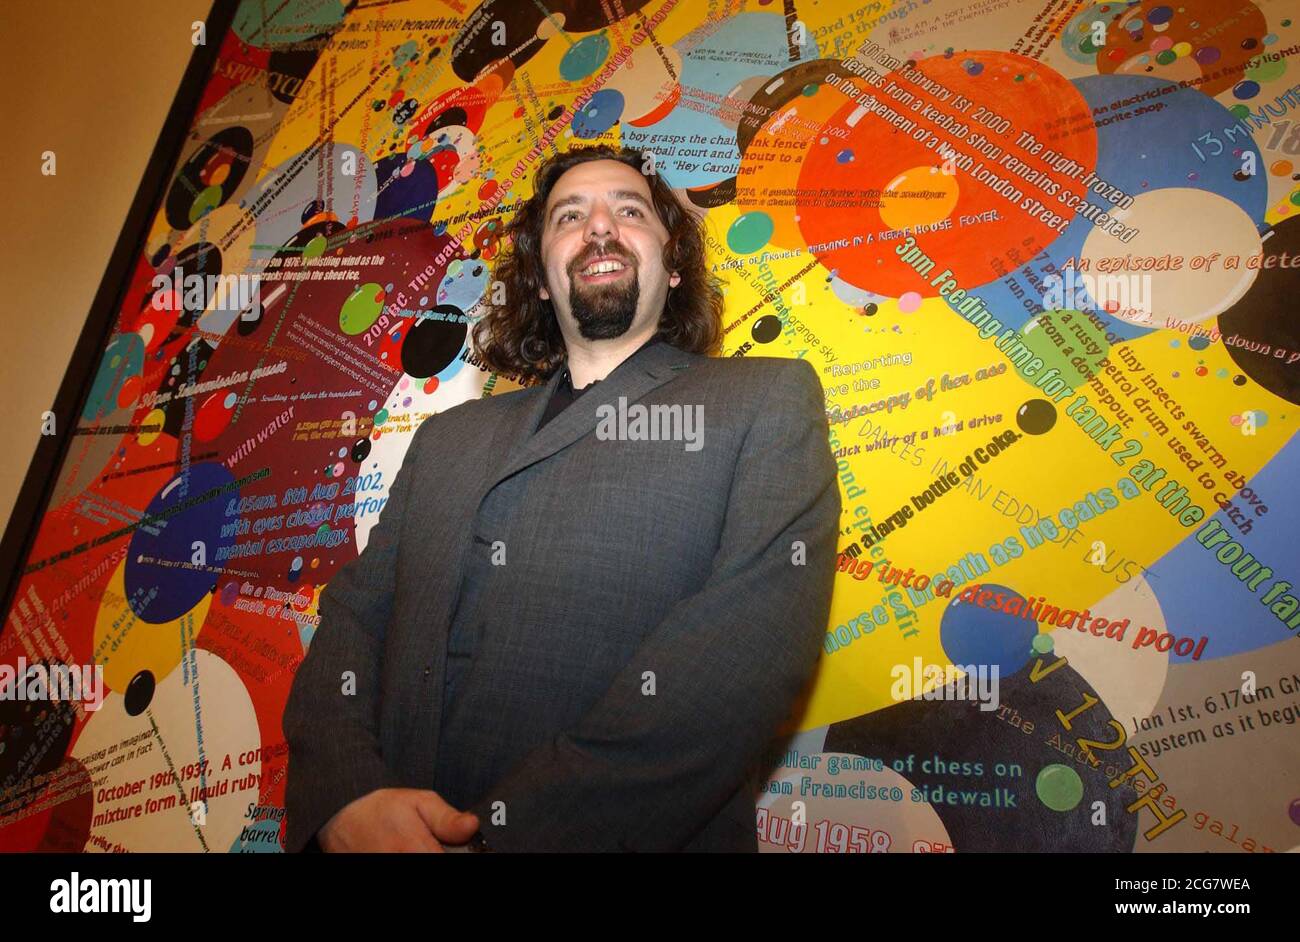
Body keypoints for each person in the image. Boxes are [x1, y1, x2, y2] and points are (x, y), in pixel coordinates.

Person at [283, 143, 841, 852]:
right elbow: (355, 619)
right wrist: (345, 797)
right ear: (543, 280)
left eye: (629, 210)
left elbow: (739, 660)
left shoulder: (765, 401)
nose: (599, 227)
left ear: (674, 267)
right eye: (568, 216)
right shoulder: (446, 438)